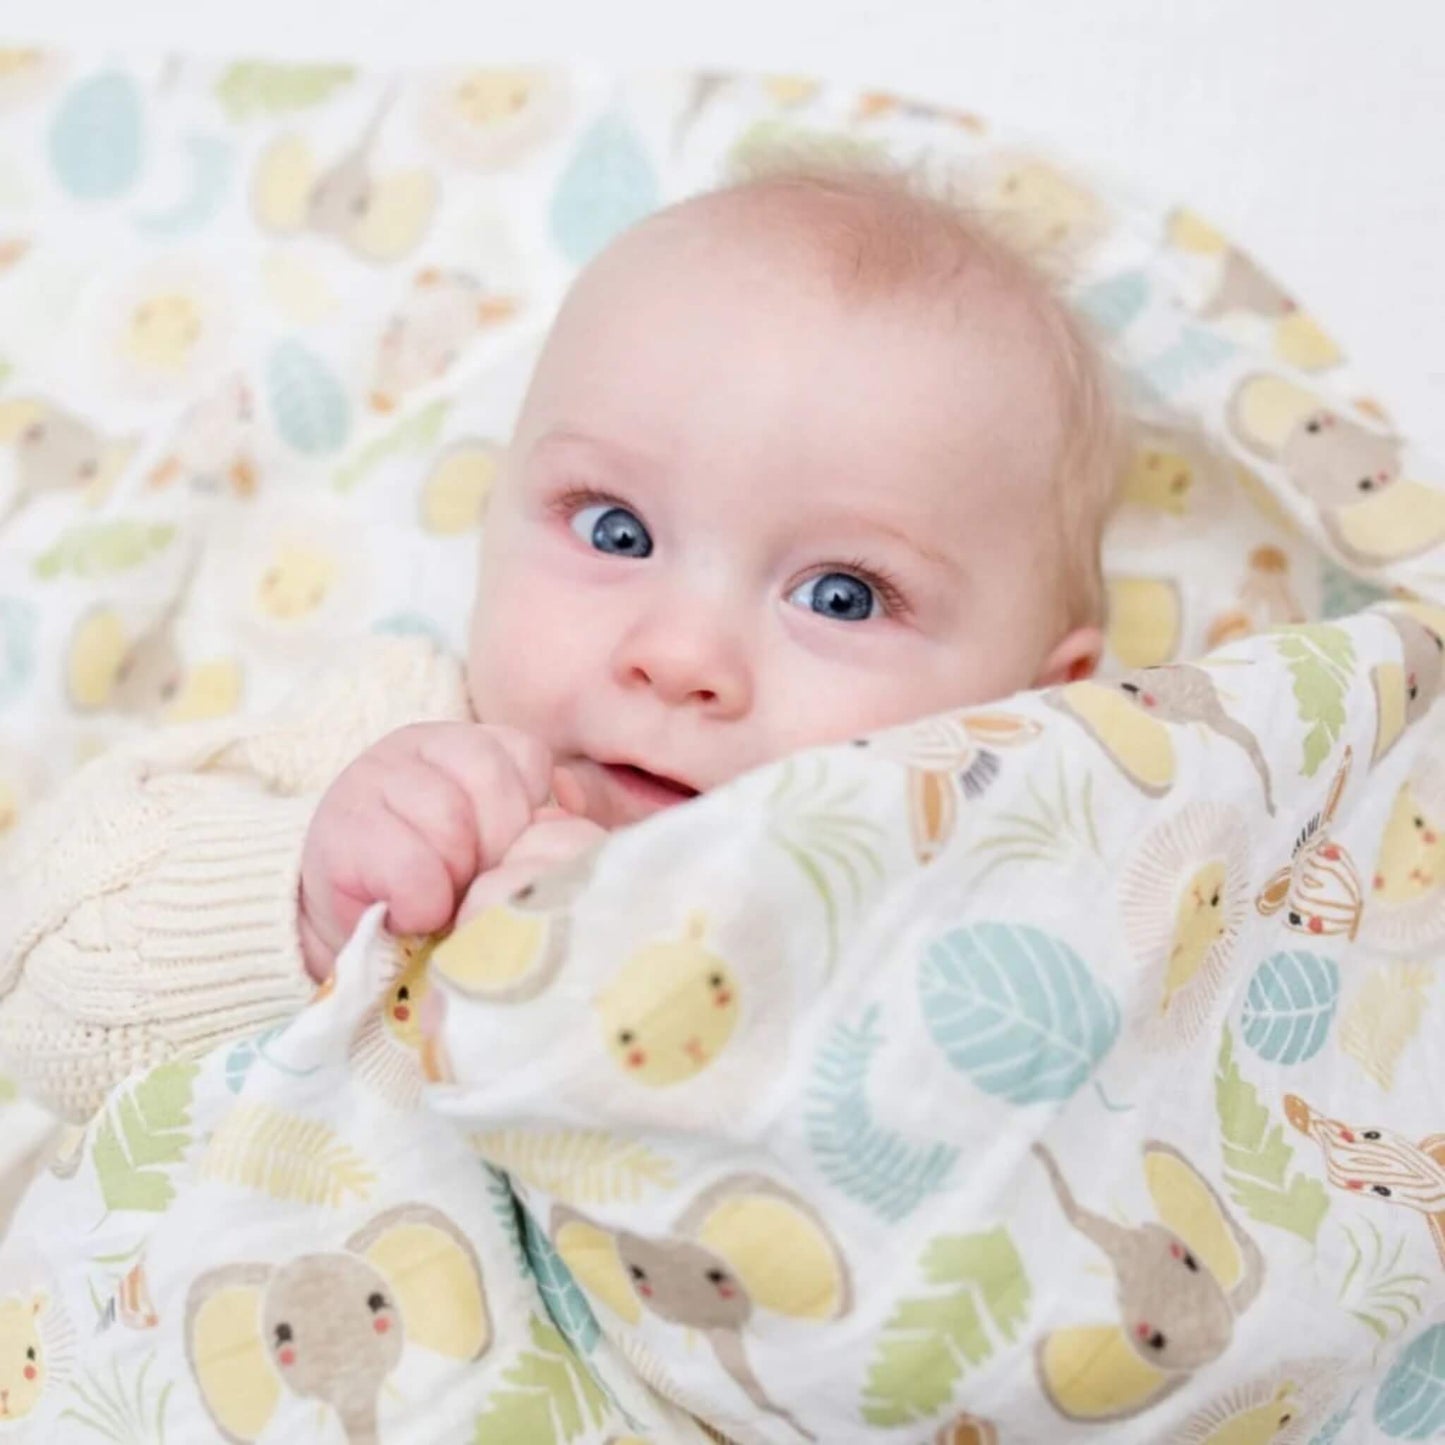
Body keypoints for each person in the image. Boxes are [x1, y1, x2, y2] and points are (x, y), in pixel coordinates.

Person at [0, 160, 1123, 1121]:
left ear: (1042, 699)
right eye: (615, 529)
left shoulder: (974, 938)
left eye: (840, 595)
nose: (679, 657)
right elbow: (36, 995)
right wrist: (302, 898)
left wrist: (677, 1005)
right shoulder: (399, 729)